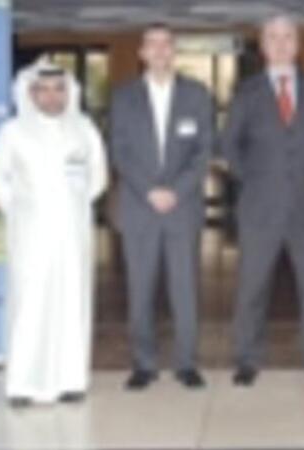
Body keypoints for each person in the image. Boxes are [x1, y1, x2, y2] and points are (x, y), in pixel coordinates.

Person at [0, 59, 108, 407]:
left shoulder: (84, 129)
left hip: (72, 233)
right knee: (30, 304)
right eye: (44, 90)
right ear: (31, 93)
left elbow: (98, 176)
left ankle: (71, 380)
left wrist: (73, 206)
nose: (53, 97)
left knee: (71, 302)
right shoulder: (12, 132)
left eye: (59, 90)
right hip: (30, 234)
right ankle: (22, 384)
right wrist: (20, 211)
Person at [221, 15, 304, 386]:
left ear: (298, 45)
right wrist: (255, 180)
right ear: (263, 45)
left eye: (288, 37)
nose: (282, 44)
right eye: (273, 37)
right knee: (252, 287)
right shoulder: (246, 92)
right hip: (259, 207)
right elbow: (229, 145)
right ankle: (246, 359)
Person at [110, 23, 214, 391]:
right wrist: (150, 190)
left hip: (182, 208)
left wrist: (176, 190)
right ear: (141, 53)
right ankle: (144, 364)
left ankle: (187, 363)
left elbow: (204, 150)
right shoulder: (123, 97)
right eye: (151, 44)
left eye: (166, 44)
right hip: (140, 208)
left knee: (185, 289)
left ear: (174, 51)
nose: (159, 51)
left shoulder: (197, 94)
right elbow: (119, 150)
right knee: (140, 289)